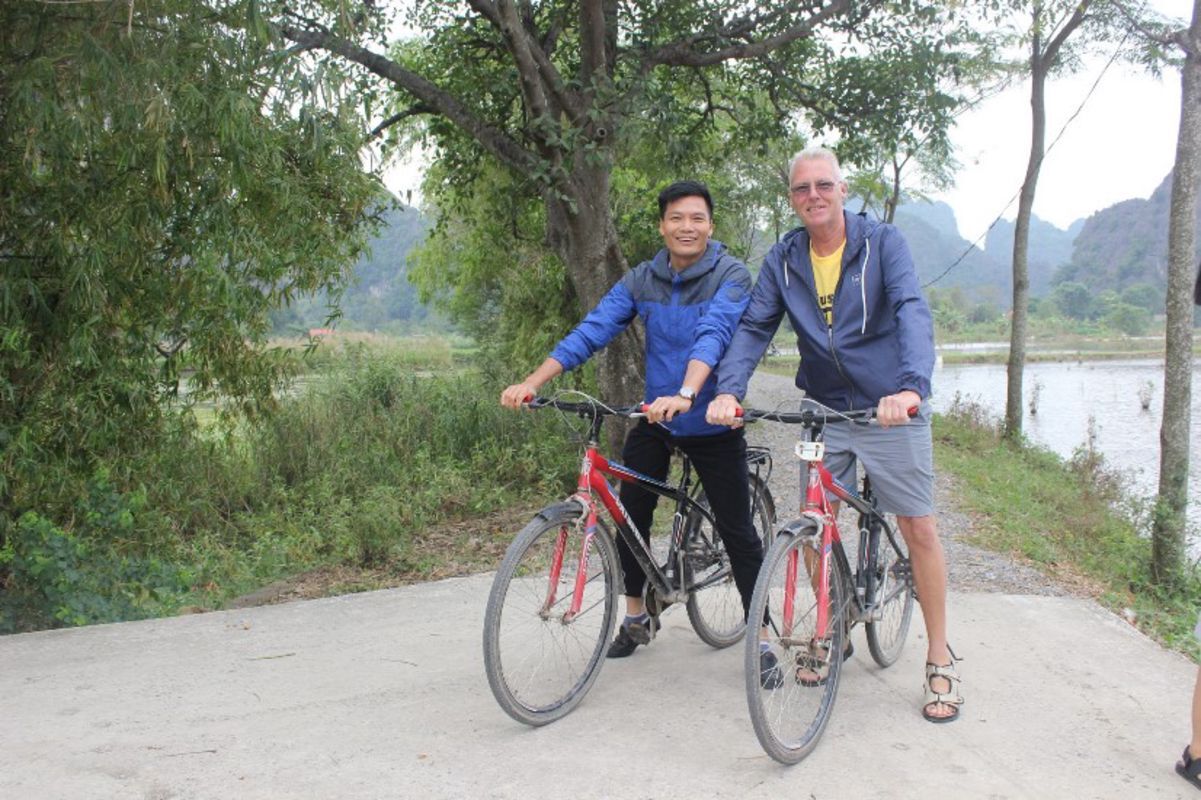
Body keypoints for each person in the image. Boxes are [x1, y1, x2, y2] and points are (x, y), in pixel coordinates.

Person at [706, 146, 964, 722]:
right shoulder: (784, 259)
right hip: (823, 409)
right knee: (816, 522)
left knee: (918, 525)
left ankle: (940, 656)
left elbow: (912, 311)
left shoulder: (883, 245)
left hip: (888, 405)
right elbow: (753, 326)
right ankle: (828, 630)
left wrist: (911, 389)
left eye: (824, 185)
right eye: (802, 188)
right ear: (792, 198)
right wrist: (729, 389)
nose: (813, 195)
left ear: (843, 190)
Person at [500, 180, 766, 661]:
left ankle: (761, 637)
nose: (687, 227)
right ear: (662, 225)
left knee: (737, 530)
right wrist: (534, 381)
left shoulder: (731, 275)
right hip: (656, 417)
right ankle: (637, 616)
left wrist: (687, 393)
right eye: (677, 218)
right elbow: (595, 328)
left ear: (710, 225)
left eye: (697, 218)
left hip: (710, 416)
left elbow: (715, 333)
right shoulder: (643, 278)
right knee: (630, 512)